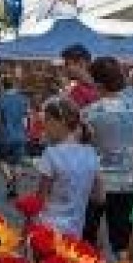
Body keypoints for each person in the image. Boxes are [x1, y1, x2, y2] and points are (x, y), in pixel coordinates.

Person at [84, 57, 133, 257]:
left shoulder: (89, 113)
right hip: (130, 181)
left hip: (96, 184)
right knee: (122, 242)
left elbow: (83, 149)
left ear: (98, 84)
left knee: (89, 238)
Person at [36, 97, 103, 237]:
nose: (44, 125)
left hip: (48, 226)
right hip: (75, 228)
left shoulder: (51, 154)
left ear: (60, 122)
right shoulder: (91, 153)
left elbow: (40, 199)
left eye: (47, 120)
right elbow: (99, 197)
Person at [0, 77, 29, 198]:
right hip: (20, 136)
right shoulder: (23, 100)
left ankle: (9, 181)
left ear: (3, 86)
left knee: (1, 160)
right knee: (17, 163)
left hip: (5, 136)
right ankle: (15, 188)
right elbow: (25, 120)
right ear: (13, 85)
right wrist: (25, 132)